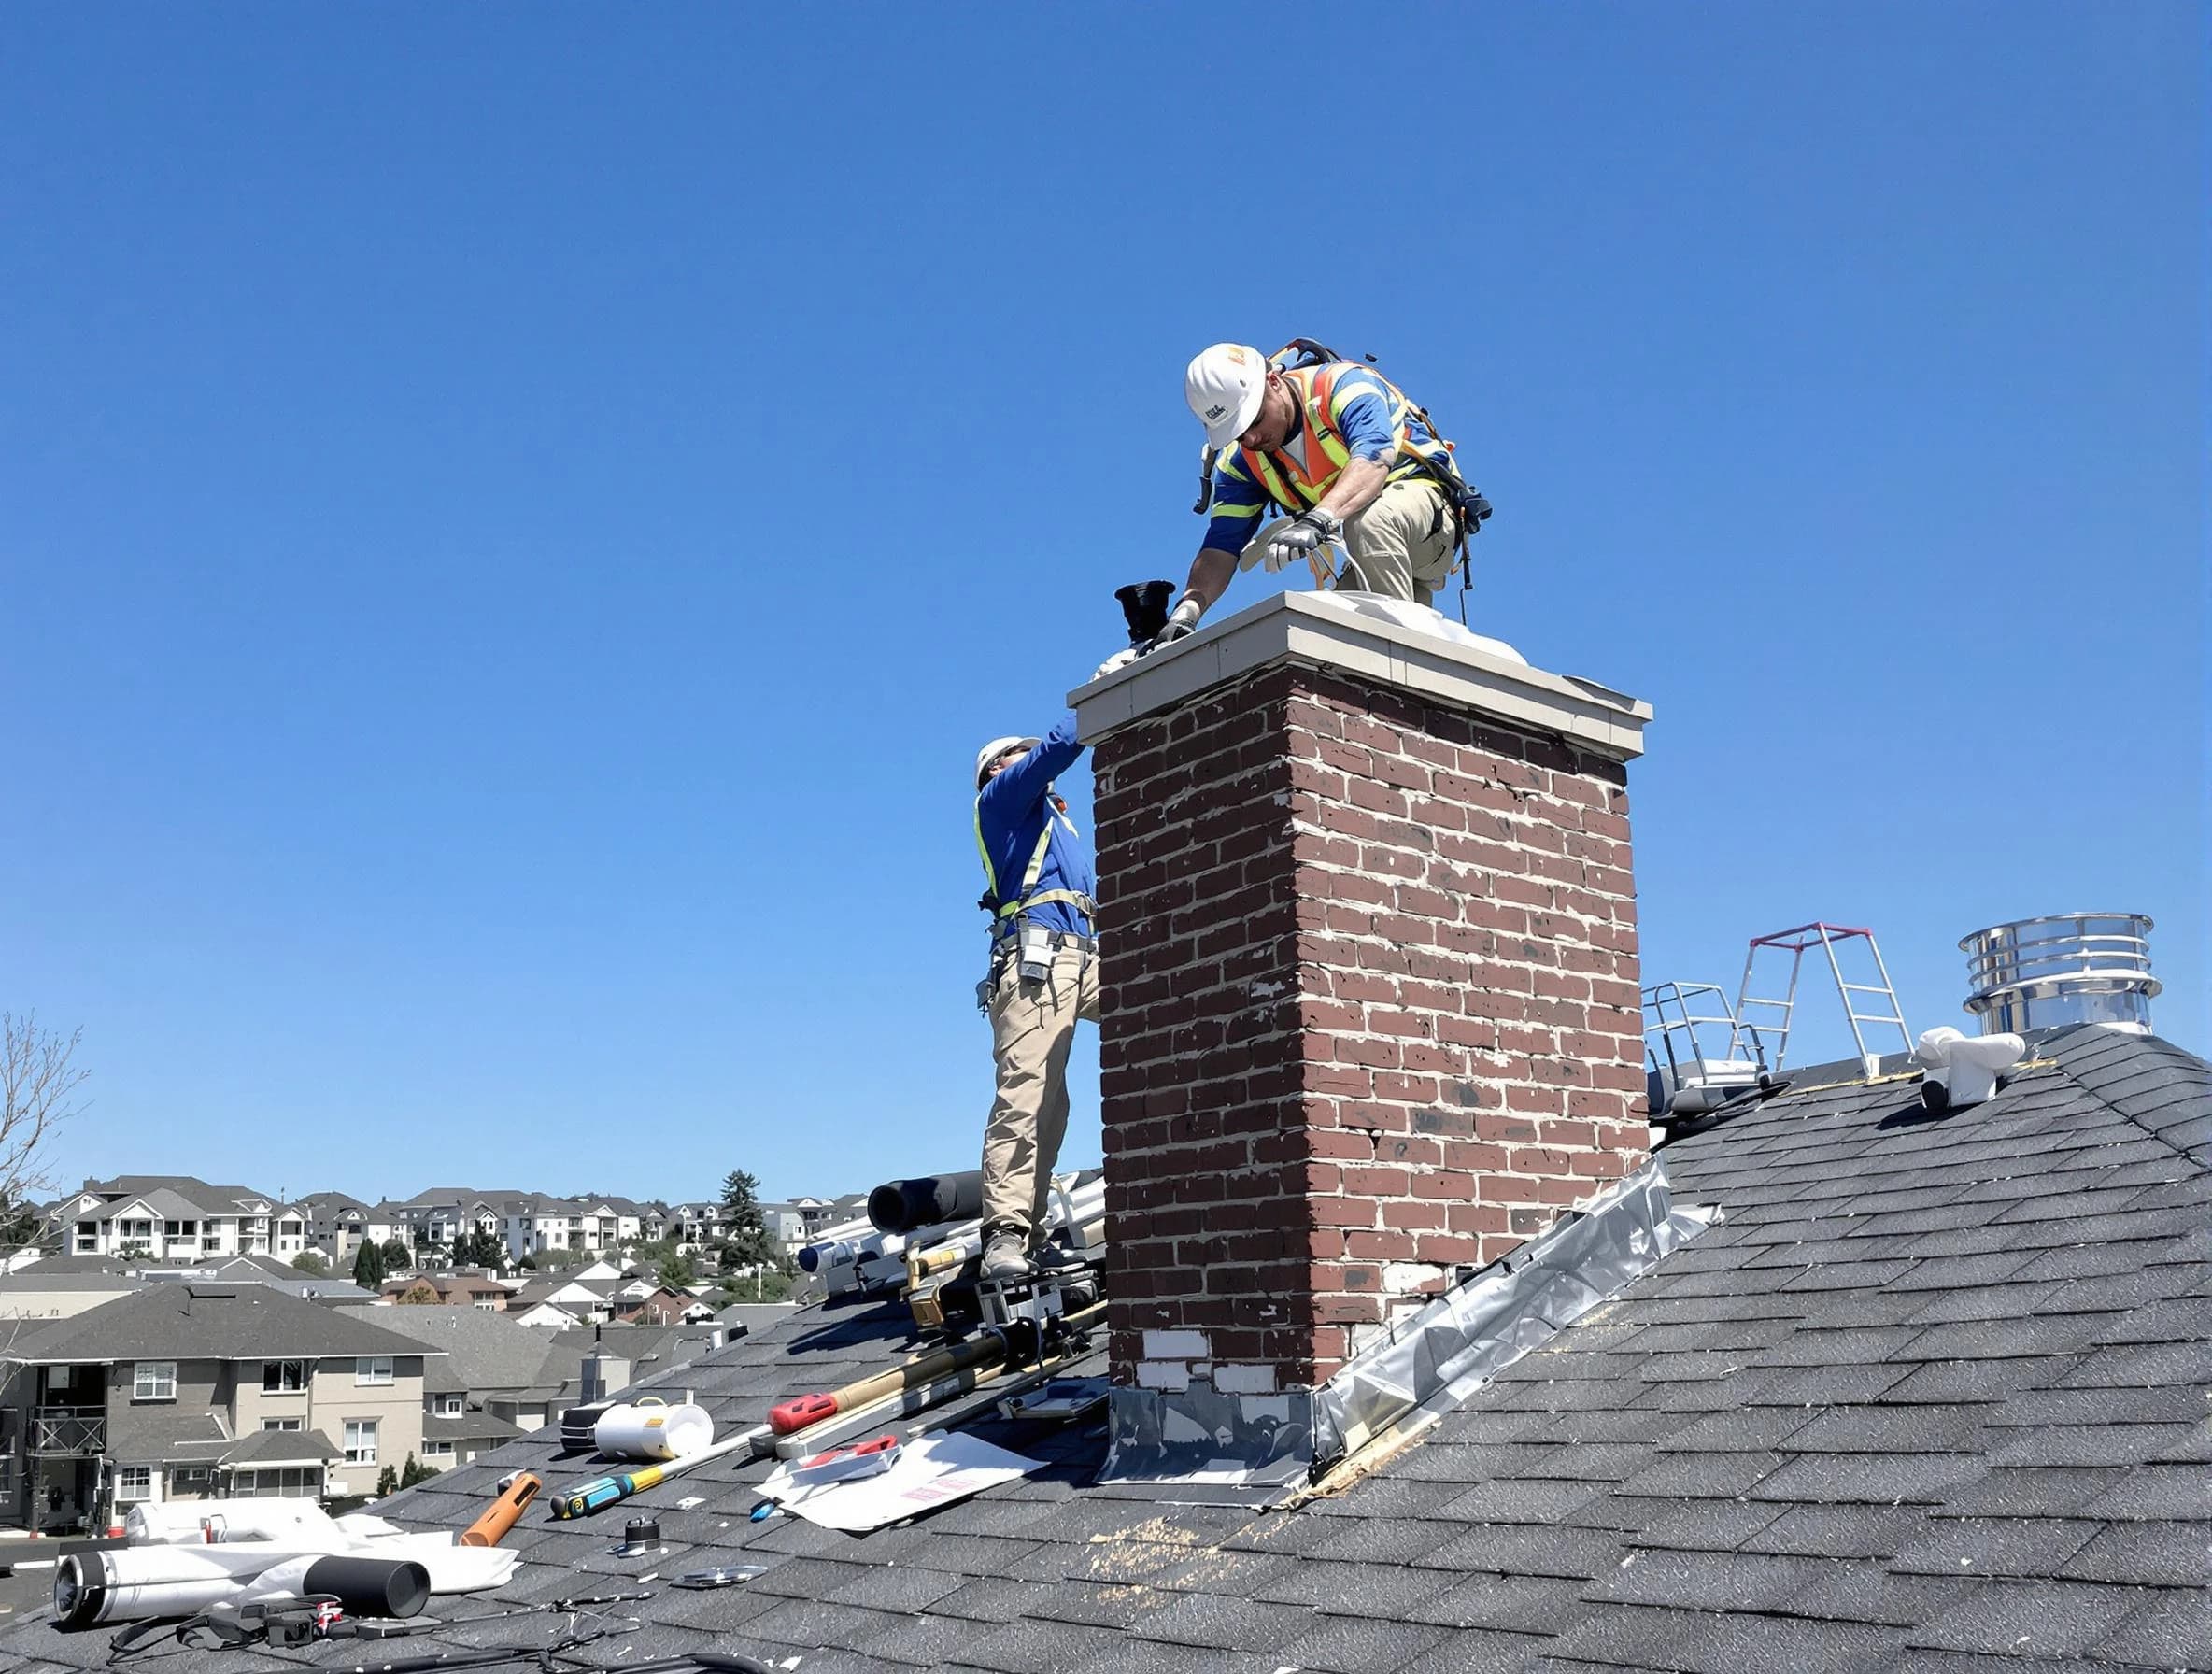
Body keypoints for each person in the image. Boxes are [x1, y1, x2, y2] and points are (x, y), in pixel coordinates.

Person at [1154, 342, 1487, 646]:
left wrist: (1318, 519)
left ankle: (1405, 667)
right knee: (1339, 634)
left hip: (1427, 522)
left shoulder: (1344, 387)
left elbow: (1374, 460)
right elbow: (1221, 545)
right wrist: (1188, 610)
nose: (1252, 439)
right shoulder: (1243, 463)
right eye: (1238, 433)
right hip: (1372, 548)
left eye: (1254, 421)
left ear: (1273, 382)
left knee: (1369, 524)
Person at [970, 718, 1099, 1282]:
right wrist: (1099, 695)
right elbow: (1055, 750)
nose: (1029, 760)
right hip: (1034, 964)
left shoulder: (1059, 825)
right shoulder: (999, 803)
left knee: (1161, 1012)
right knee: (1030, 1094)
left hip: (1084, 954)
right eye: (1018, 755)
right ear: (1000, 768)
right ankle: (1009, 1232)